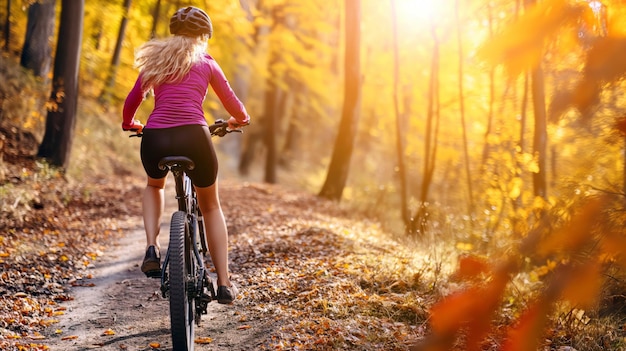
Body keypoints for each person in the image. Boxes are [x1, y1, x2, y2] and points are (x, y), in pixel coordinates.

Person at [122, 6, 250, 304]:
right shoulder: (206, 61)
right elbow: (234, 105)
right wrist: (239, 120)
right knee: (211, 206)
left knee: (155, 185)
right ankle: (225, 282)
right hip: (194, 136)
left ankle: (152, 247)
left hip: (155, 138)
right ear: (203, 36)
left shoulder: (156, 60)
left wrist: (131, 123)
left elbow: (132, 100)